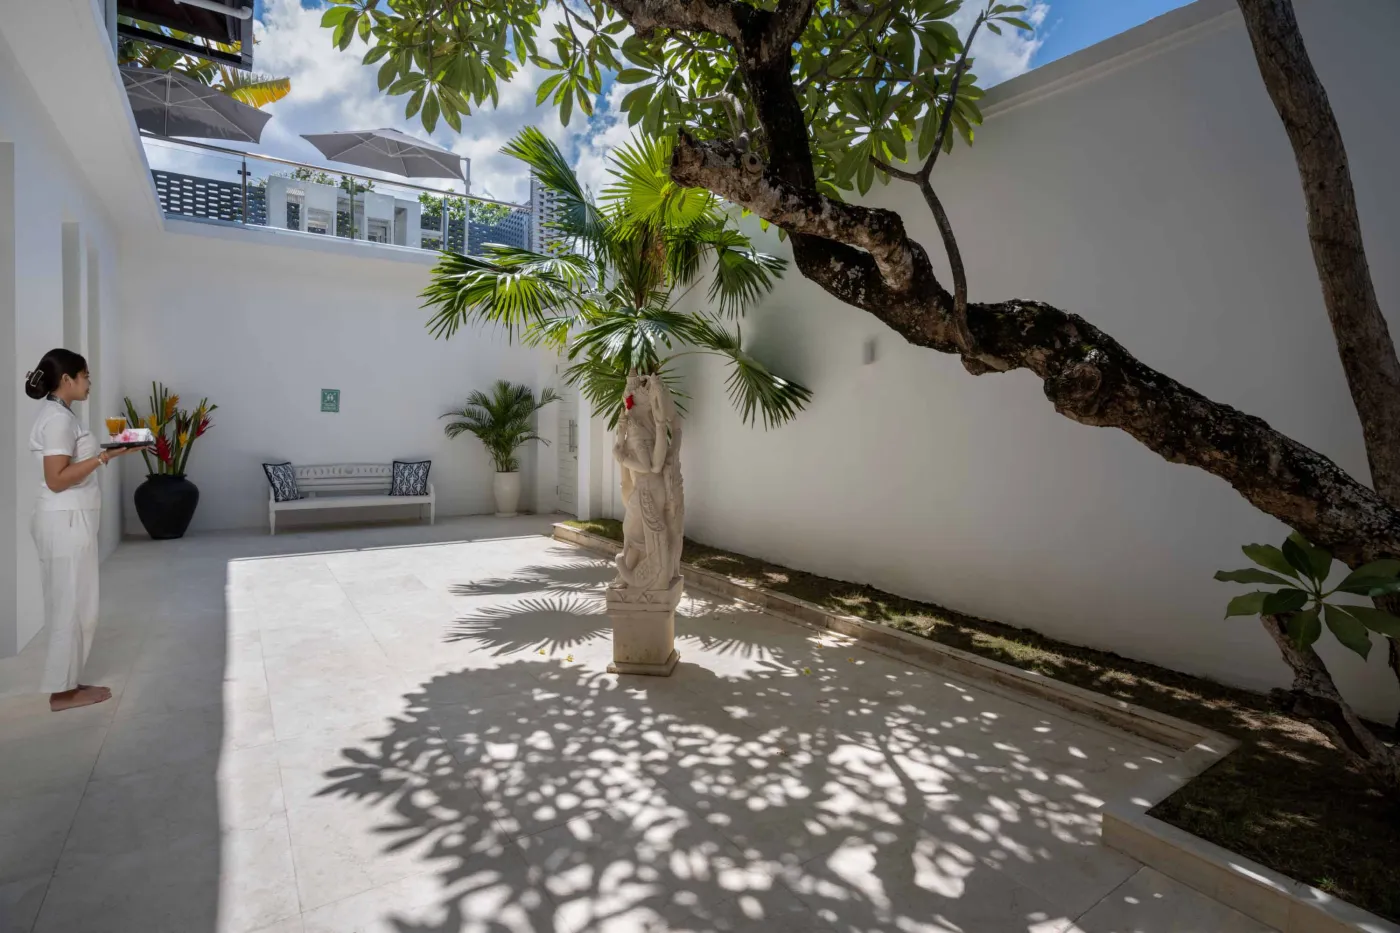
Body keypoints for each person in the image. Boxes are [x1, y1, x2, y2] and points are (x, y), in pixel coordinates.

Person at [25, 349, 144, 711]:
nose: (89, 383)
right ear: (67, 380)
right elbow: (57, 479)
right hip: (65, 520)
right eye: (86, 376)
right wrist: (105, 456)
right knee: (70, 606)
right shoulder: (58, 420)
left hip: (67, 521)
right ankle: (63, 692)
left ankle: (67, 683)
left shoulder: (59, 414)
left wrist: (111, 452)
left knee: (75, 604)